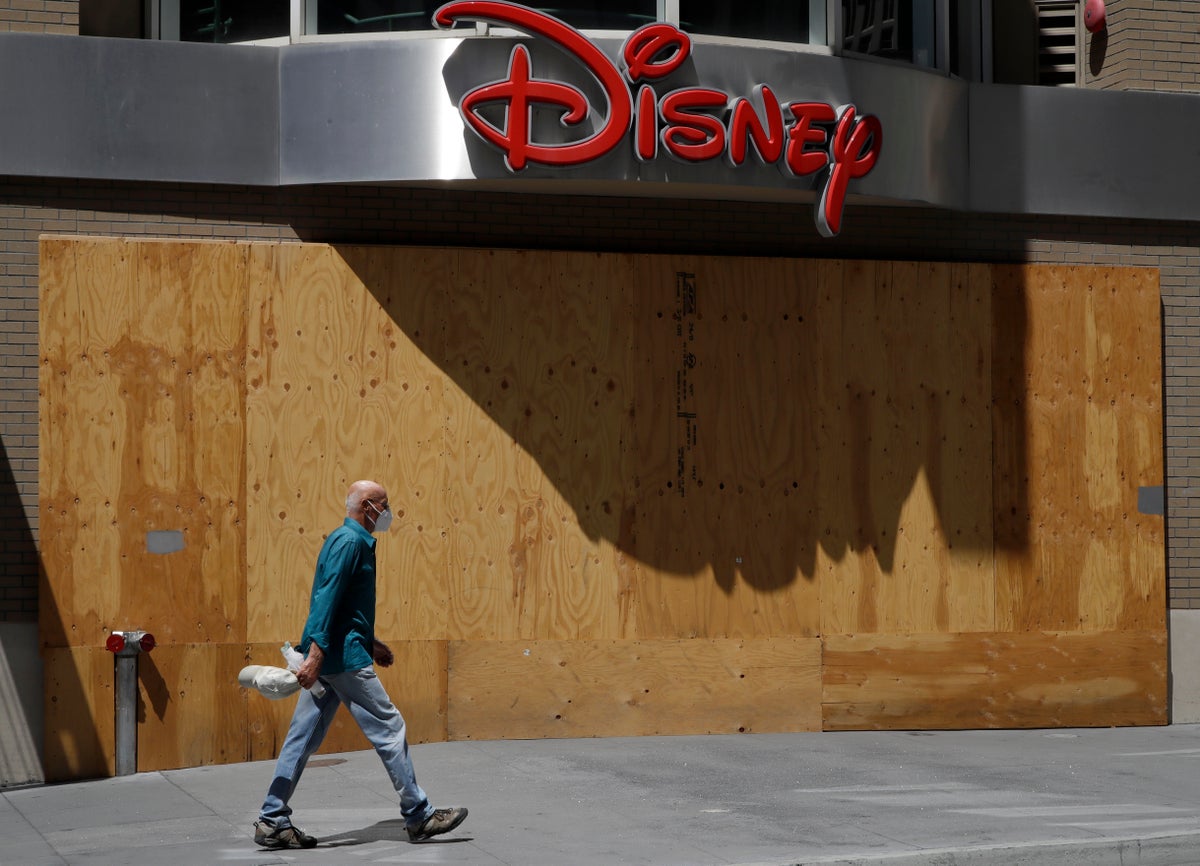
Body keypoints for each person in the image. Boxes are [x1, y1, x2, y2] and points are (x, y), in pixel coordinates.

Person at [253, 480, 468, 849]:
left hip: (336, 656)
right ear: (368, 506)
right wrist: (316, 656)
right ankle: (419, 815)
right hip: (343, 661)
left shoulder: (350, 540)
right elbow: (327, 600)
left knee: (301, 738)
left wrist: (371, 643)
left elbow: (347, 607)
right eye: (385, 504)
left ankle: (272, 819)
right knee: (389, 727)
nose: (389, 511)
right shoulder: (351, 542)